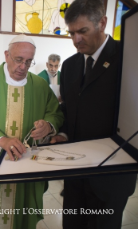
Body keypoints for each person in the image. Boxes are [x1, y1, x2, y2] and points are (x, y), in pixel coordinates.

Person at [0, 34, 64, 229]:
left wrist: (48, 126)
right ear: (7, 55)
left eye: (28, 61)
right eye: (18, 60)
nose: (23, 66)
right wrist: (2, 140)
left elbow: (56, 114)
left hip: (26, 163)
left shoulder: (40, 86)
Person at [50, 1, 137, 228]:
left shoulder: (128, 58)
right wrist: (63, 133)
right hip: (75, 175)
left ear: (102, 23)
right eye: (72, 33)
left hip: (110, 178)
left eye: (82, 31)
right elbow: (69, 110)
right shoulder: (69, 66)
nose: (76, 40)